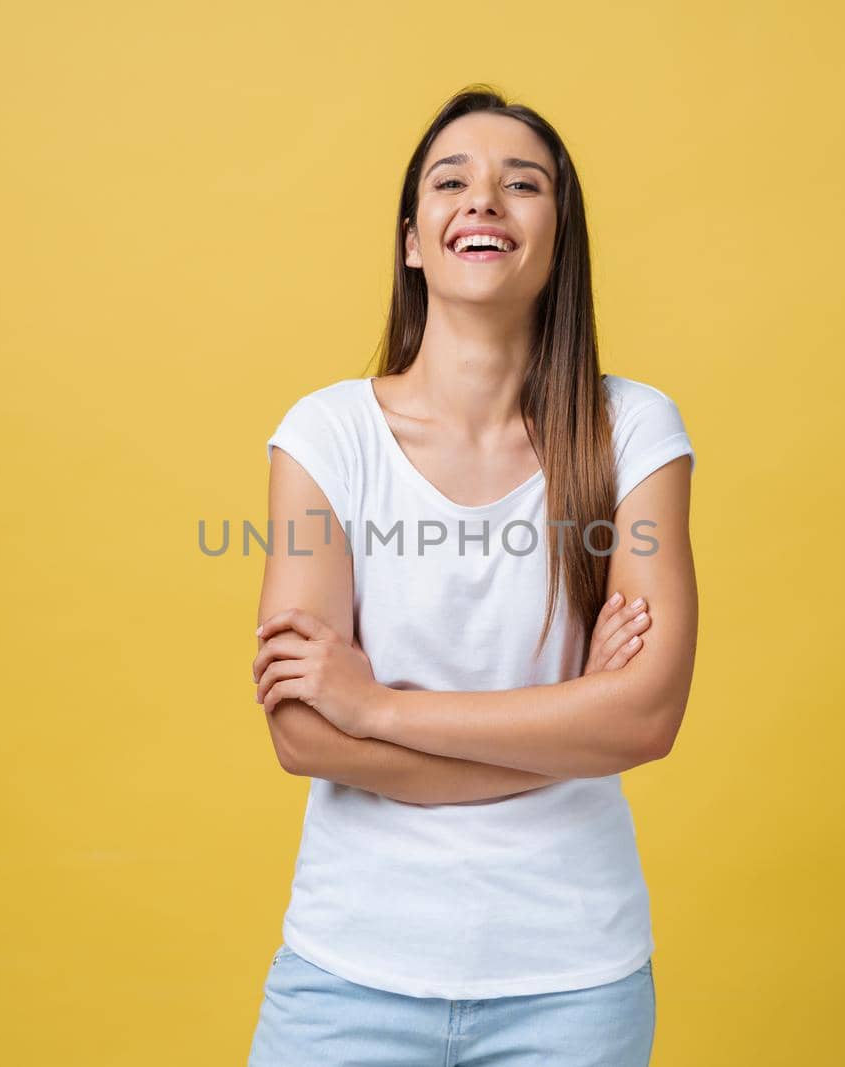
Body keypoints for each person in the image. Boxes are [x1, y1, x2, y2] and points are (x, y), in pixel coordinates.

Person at [246, 85, 698, 1066]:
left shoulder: (633, 433)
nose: (483, 198)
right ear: (414, 240)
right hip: (348, 973)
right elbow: (302, 730)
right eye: (451, 180)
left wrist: (381, 709)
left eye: (521, 183)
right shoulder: (328, 435)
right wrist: (573, 714)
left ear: (557, 235)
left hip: (574, 983)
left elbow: (646, 719)